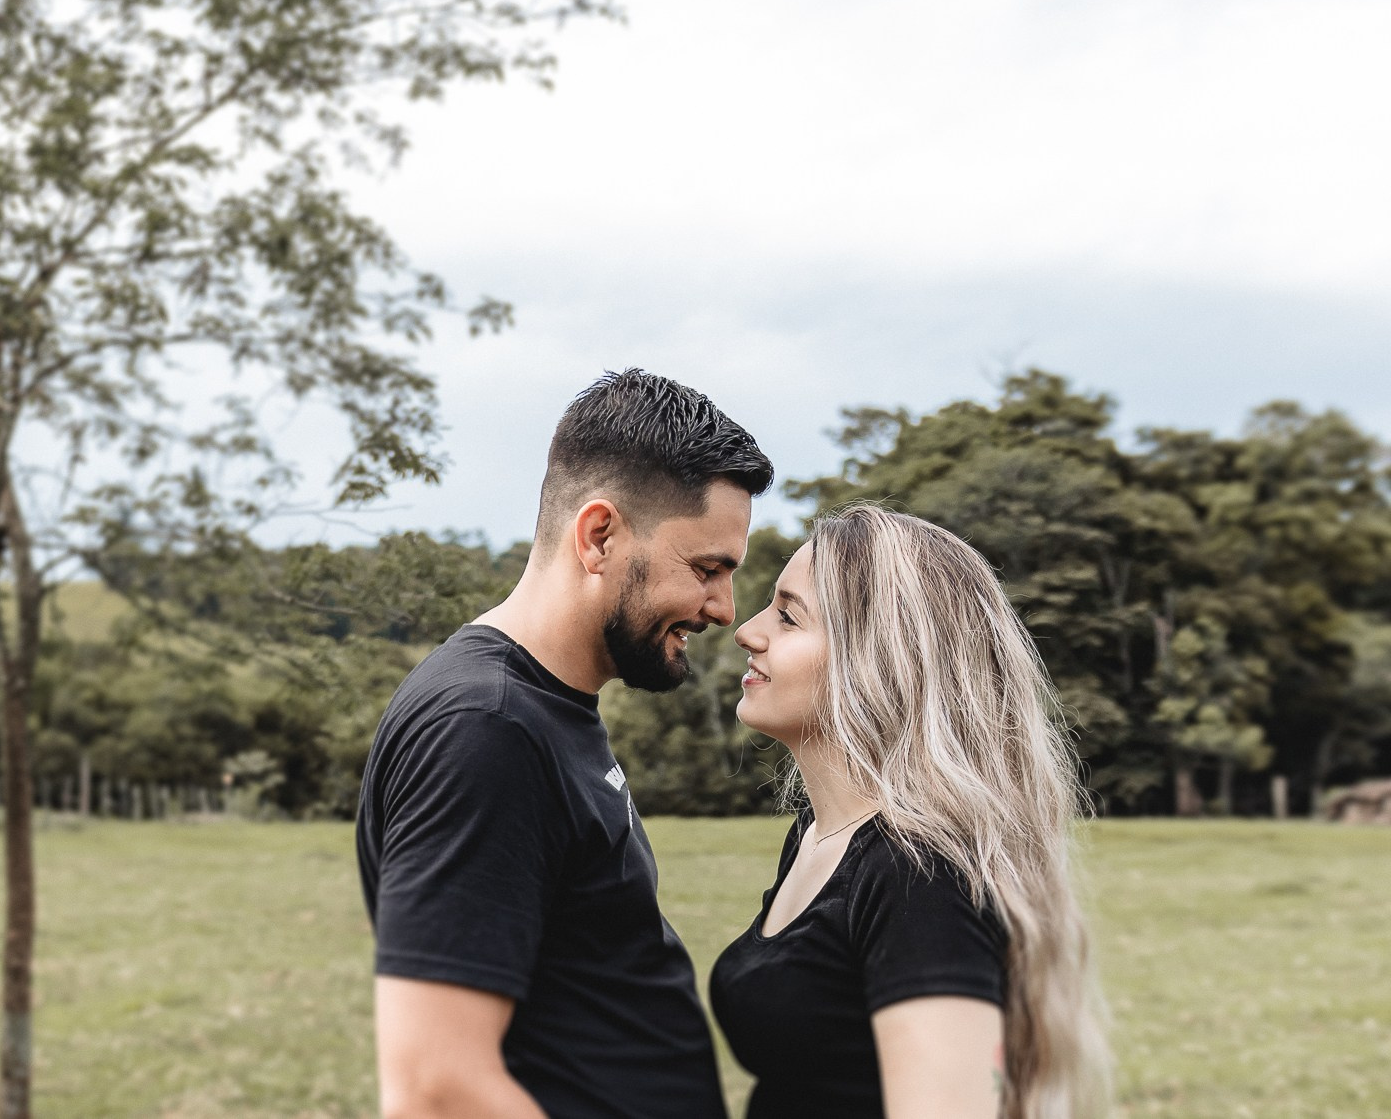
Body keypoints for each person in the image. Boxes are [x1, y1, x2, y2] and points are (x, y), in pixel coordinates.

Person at [356, 368, 774, 1119]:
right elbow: (435, 1089)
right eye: (707, 568)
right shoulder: (486, 727)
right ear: (599, 534)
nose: (724, 608)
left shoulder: (540, 709)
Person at [709, 505, 1112, 1119]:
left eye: (789, 616)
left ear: (876, 657)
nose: (748, 630)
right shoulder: (819, 837)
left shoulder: (918, 875)